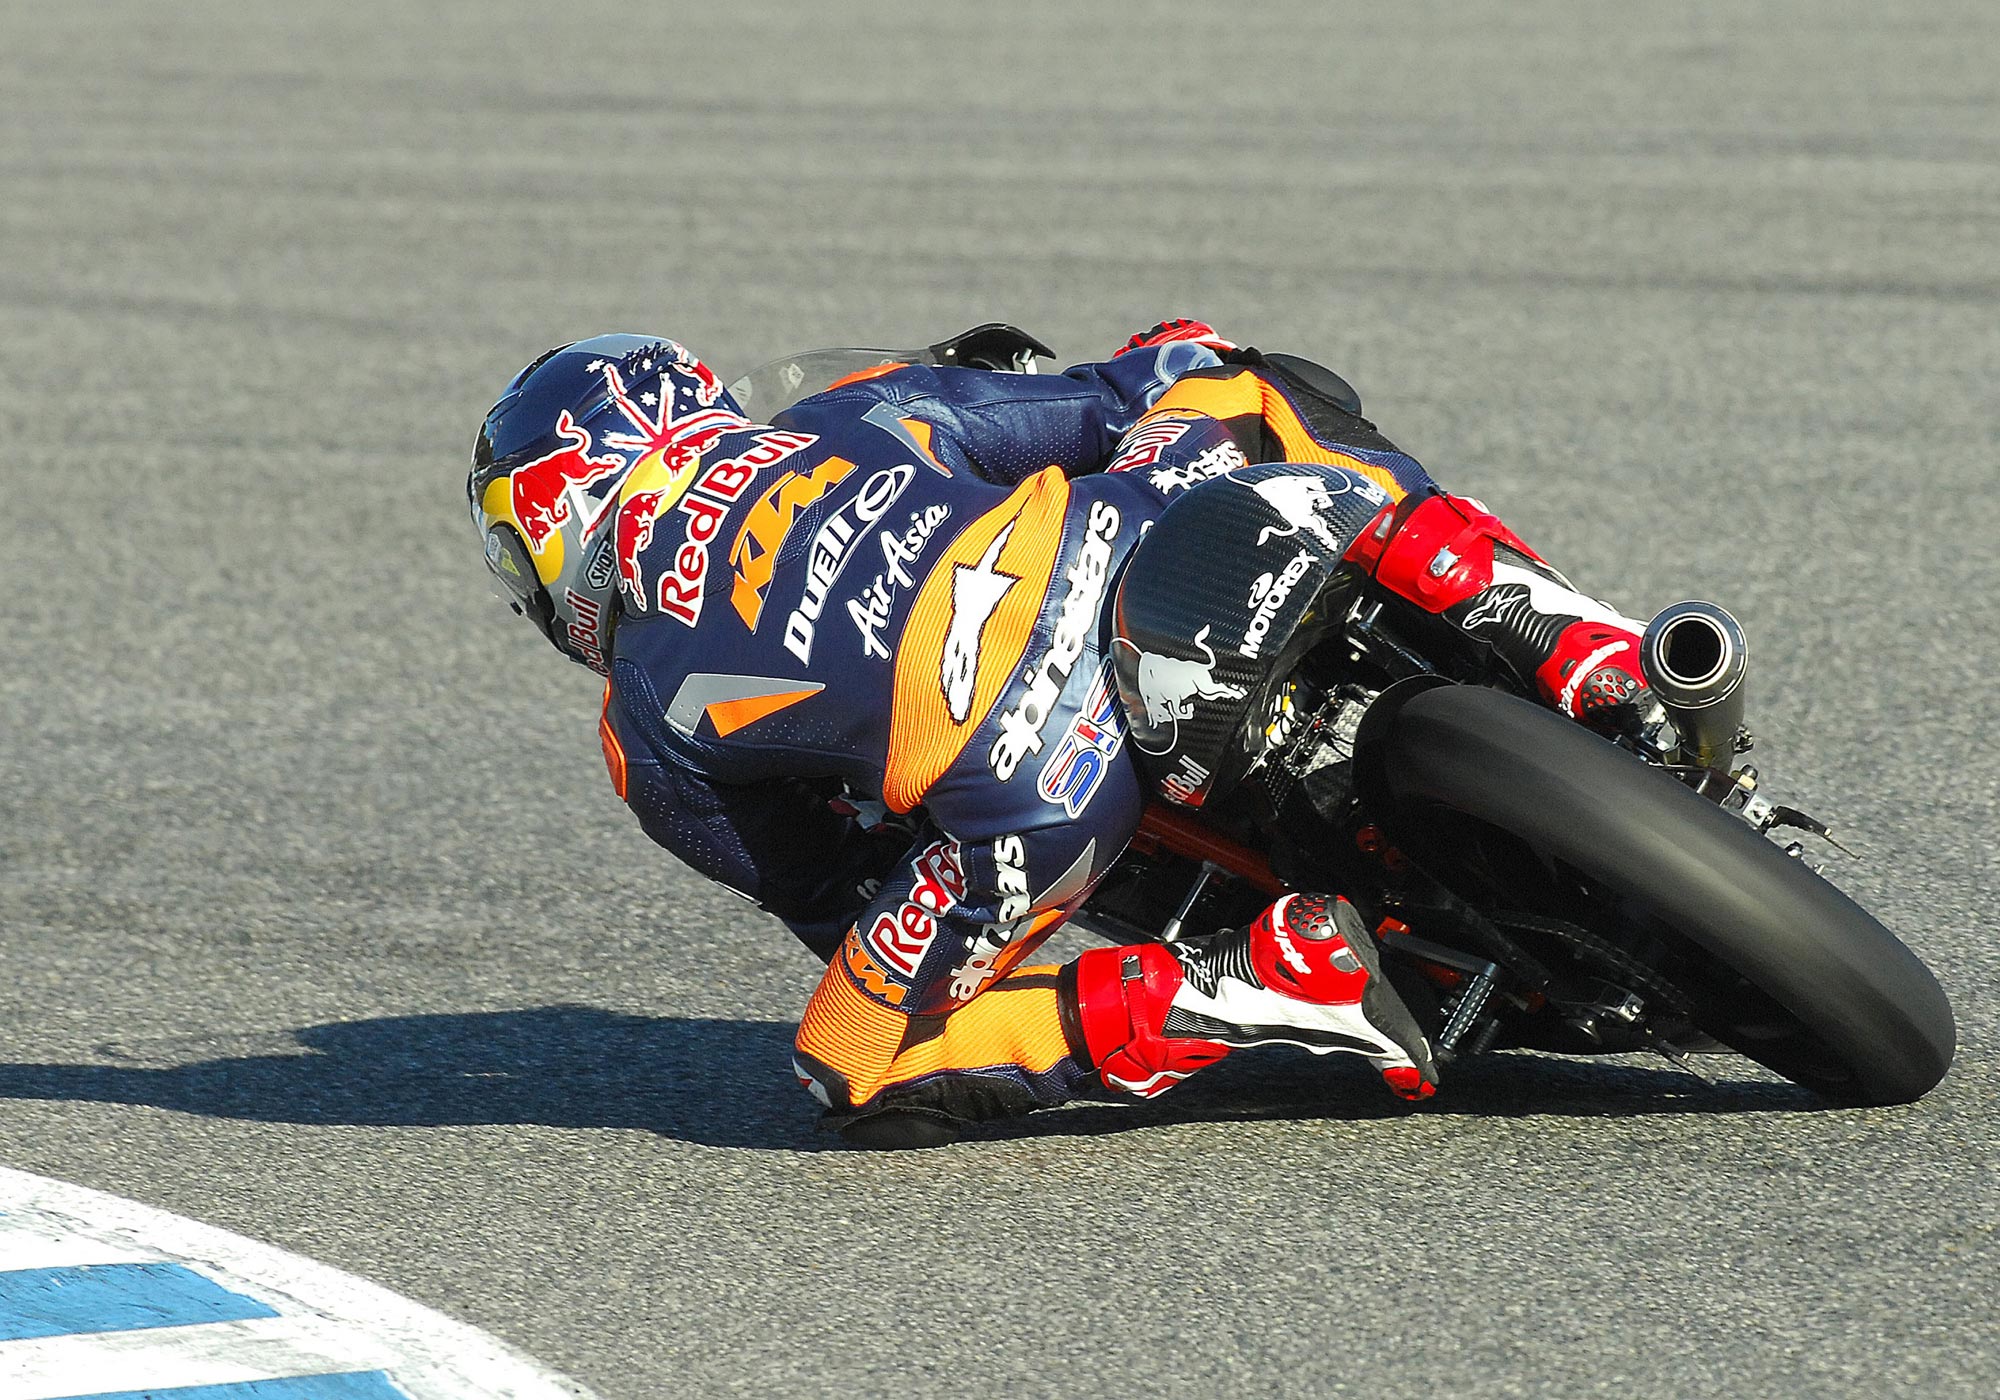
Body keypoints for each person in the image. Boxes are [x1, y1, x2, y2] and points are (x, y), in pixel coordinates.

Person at [468, 321, 1656, 1147]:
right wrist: (1168, 357)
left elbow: (824, 889)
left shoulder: (643, 718)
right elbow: (1094, 405)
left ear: (559, 510)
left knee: (853, 1061)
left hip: (1036, 793)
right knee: (1240, 384)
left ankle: (1254, 980)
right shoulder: (849, 409)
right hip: (1134, 554)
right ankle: (1578, 641)